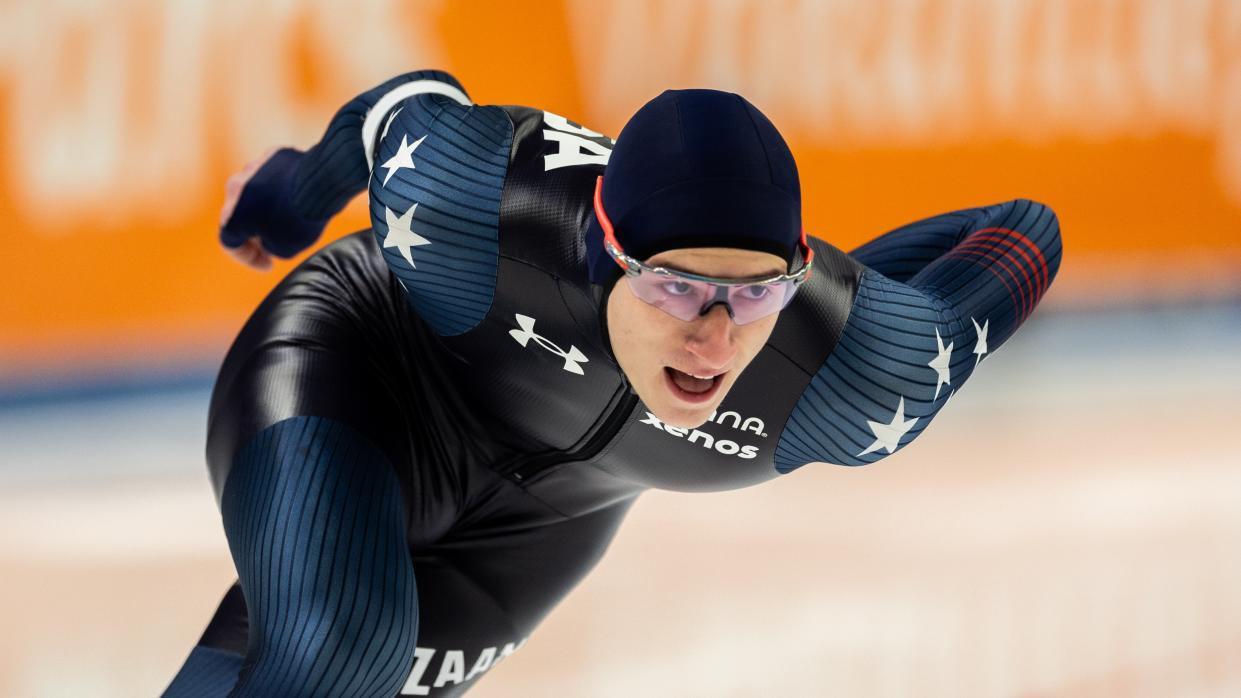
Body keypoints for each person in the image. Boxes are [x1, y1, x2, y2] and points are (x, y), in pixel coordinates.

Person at [163, 69, 1062, 697]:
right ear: (602, 254)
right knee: (337, 655)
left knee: (328, 664)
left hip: (550, 520)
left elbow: (1026, 224)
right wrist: (290, 197)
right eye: (673, 285)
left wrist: (834, 315)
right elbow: (394, 109)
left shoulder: (856, 377)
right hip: (363, 373)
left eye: (752, 295)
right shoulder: (473, 207)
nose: (711, 338)